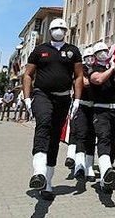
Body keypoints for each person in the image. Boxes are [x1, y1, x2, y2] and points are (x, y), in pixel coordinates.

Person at [23, 18, 83, 199]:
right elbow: (27, 74)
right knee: (44, 124)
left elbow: (78, 76)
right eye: (56, 28)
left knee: (55, 138)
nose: (59, 31)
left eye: (62, 28)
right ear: (50, 31)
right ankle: (38, 172)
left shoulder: (73, 51)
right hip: (42, 95)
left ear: (66, 31)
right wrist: (27, 98)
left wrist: (77, 99)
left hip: (63, 98)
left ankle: (47, 183)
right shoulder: (40, 50)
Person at [88, 41, 115, 193]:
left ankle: (106, 179)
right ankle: (105, 170)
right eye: (99, 53)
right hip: (101, 111)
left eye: (105, 50)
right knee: (103, 138)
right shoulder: (93, 69)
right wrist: (111, 68)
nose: (103, 54)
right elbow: (98, 79)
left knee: (113, 142)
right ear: (96, 56)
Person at [72, 46, 96, 181]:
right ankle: (79, 166)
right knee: (81, 135)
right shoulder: (81, 70)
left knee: (92, 137)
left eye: (92, 57)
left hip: (95, 108)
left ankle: (89, 167)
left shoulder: (98, 68)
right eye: (87, 57)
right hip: (82, 106)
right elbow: (84, 83)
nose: (90, 59)